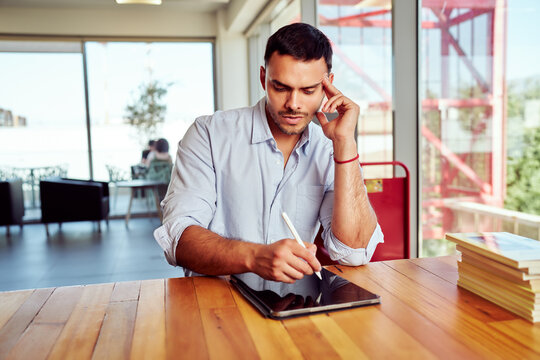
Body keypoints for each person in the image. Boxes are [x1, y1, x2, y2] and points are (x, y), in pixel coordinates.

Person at [154, 23, 384, 284]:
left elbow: (353, 253)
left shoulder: (329, 149)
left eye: (308, 91)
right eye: (281, 87)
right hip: (217, 306)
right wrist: (254, 257)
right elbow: (179, 239)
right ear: (263, 78)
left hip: (293, 307)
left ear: (328, 86)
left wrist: (345, 144)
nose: (293, 104)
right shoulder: (208, 134)